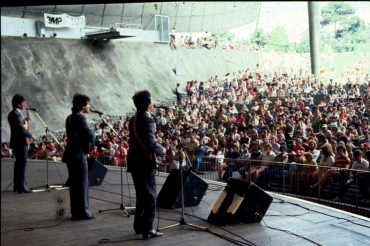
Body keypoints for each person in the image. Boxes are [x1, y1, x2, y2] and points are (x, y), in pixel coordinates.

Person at [127, 90, 166, 239]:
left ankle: (139, 225)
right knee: (150, 195)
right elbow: (150, 142)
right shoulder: (148, 120)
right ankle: (148, 228)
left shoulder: (133, 119)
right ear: (149, 105)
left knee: (141, 195)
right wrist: (162, 149)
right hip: (144, 162)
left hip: (134, 161)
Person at [63, 93, 96, 220]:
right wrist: (93, 133)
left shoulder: (69, 117)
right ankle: (83, 212)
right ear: (83, 105)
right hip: (78, 155)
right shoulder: (80, 118)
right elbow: (89, 135)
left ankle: (76, 212)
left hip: (70, 155)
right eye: (88, 104)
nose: (89, 107)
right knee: (82, 183)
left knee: (75, 185)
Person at [7, 94, 38, 193]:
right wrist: (31, 135)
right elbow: (20, 128)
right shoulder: (16, 114)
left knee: (19, 164)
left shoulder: (14, 114)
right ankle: (22, 186)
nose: (25, 105)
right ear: (18, 104)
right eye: (23, 103)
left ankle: (18, 186)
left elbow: (18, 124)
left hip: (17, 142)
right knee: (22, 164)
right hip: (20, 142)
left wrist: (24, 120)